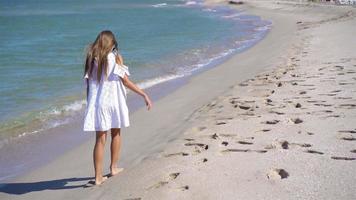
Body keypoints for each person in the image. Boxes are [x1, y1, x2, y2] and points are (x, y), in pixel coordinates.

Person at [83, 30, 152, 185]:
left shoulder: (91, 59)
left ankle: (98, 177)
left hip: (99, 104)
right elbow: (125, 82)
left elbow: (89, 85)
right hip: (113, 102)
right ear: (111, 44)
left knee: (99, 140)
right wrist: (144, 94)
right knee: (116, 133)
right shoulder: (113, 58)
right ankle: (113, 168)